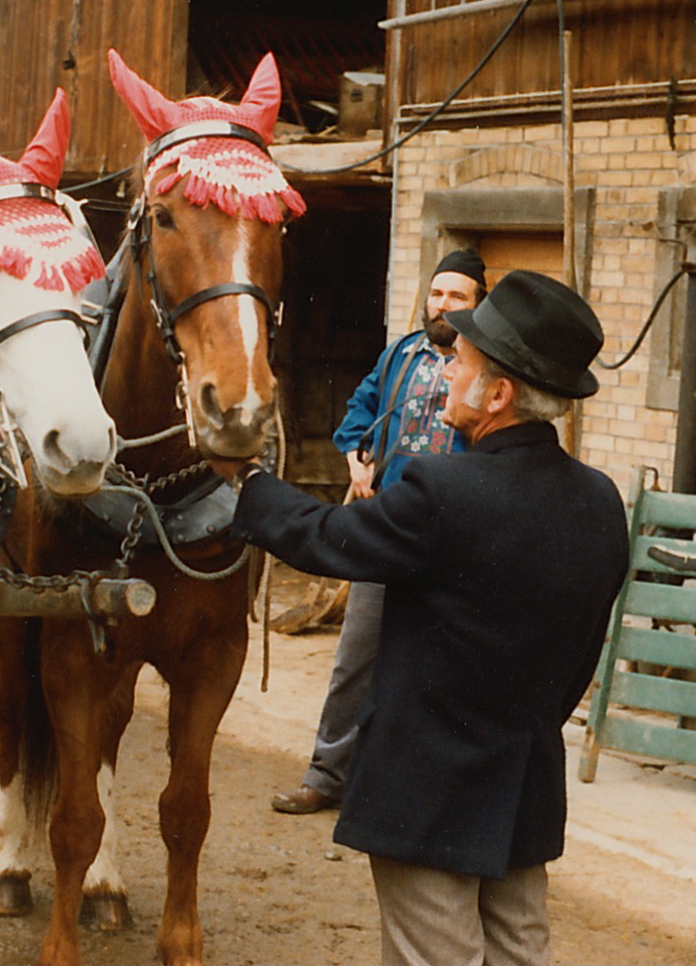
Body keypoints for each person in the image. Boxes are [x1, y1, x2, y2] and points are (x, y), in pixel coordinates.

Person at [214, 271, 629, 965]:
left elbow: (324, 537)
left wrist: (250, 483)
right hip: (522, 785)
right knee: (519, 954)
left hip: (426, 788)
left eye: (461, 363)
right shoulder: (600, 500)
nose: (446, 373)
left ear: (497, 396)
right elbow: (581, 657)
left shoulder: (443, 489)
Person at [272, 248, 485, 815]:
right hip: (389, 526)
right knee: (356, 657)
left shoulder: (485, 368)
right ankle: (327, 776)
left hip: (455, 537)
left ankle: (419, 791)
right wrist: (356, 459)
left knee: (439, 665)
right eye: (437, 293)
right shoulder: (400, 356)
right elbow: (356, 414)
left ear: (478, 305)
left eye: (457, 296)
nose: (443, 305)